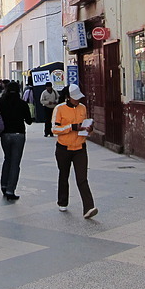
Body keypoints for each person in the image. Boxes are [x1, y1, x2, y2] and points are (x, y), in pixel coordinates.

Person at [52, 84, 97, 218]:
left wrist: (89, 129)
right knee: (64, 175)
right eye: (74, 98)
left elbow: (85, 124)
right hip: (63, 148)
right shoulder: (59, 109)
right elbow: (54, 129)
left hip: (80, 148)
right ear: (68, 97)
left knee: (82, 178)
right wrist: (71, 127)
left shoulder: (82, 108)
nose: (77, 101)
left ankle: (89, 207)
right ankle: (62, 201)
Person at [0, 81, 32, 200]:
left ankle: (3, 184)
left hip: (5, 134)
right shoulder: (22, 103)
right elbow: (29, 120)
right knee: (15, 163)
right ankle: (10, 190)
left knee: (7, 159)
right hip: (18, 134)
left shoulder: (2, 102)